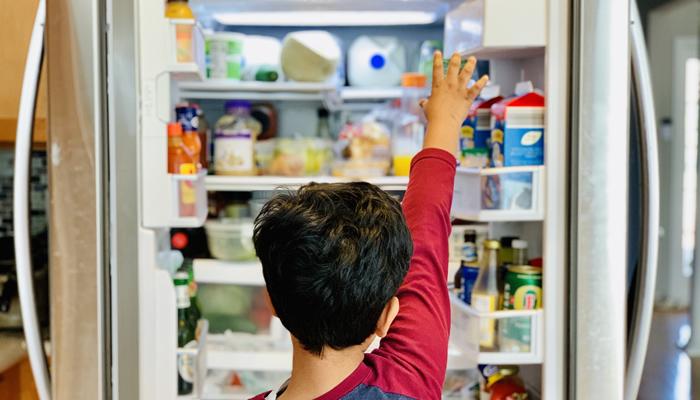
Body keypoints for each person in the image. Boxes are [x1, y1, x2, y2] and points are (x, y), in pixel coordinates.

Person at [251, 51, 489, 400]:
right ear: (387, 317)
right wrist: (446, 119)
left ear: (271, 302)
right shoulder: (409, 383)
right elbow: (425, 241)